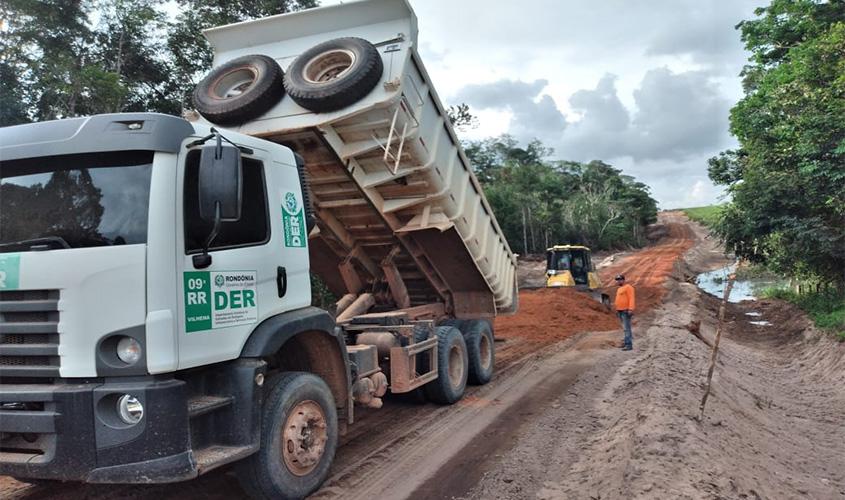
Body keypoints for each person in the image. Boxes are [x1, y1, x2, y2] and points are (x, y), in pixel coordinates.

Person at [614, 274, 635, 351]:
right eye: (617, 280)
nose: (618, 281)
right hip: (620, 310)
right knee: (624, 328)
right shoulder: (619, 289)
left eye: (620, 279)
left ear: (623, 280)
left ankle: (629, 345)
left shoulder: (628, 287)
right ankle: (626, 342)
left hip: (625, 310)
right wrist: (617, 309)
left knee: (627, 328)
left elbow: (631, 298)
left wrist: (631, 309)